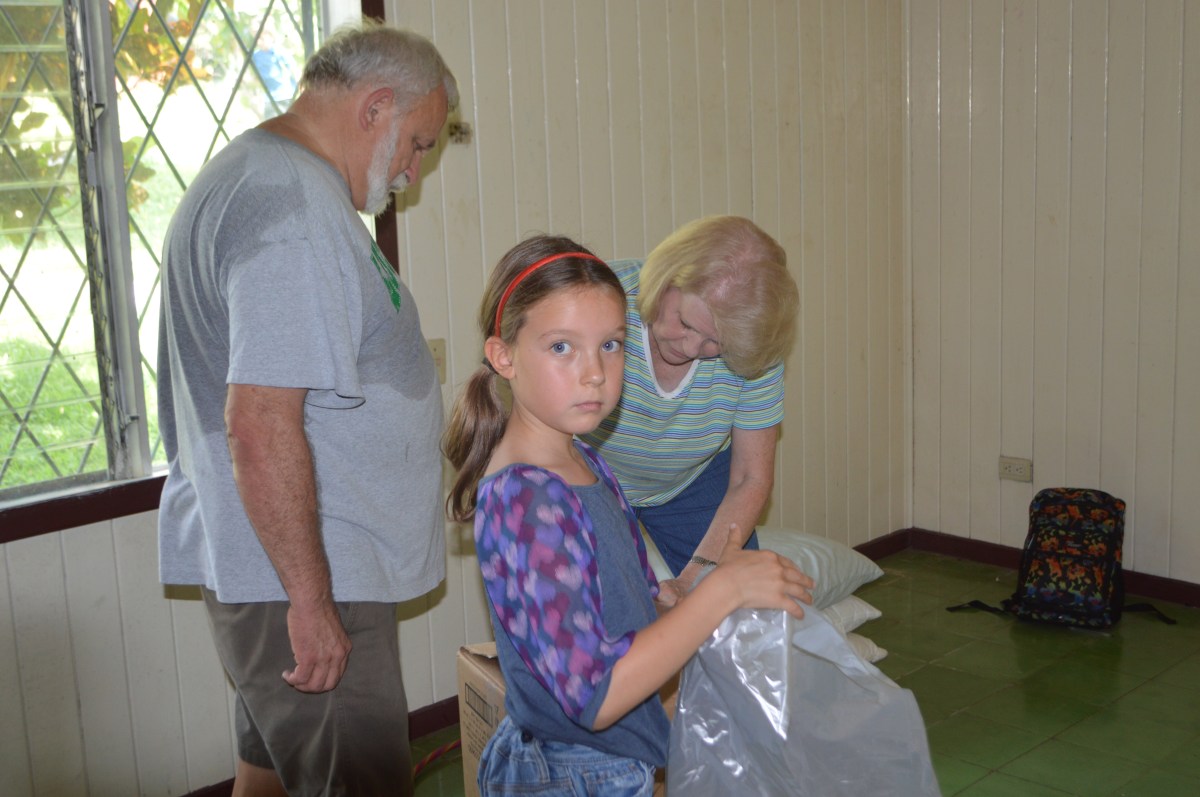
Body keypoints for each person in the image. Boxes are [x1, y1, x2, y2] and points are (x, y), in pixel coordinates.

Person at [156, 21, 457, 797]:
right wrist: (311, 600)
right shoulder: (293, 213)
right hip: (309, 571)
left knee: (267, 771)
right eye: (418, 144)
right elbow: (258, 424)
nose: (413, 171)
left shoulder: (264, 177)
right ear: (375, 107)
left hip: (278, 567)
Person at [442, 235, 814, 795]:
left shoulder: (586, 463)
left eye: (611, 345)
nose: (594, 372)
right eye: (562, 347)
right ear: (504, 356)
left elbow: (622, 605)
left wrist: (669, 601)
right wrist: (722, 591)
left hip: (617, 762)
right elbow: (595, 697)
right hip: (573, 772)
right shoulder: (526, 500)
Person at [580, 216, 800, 605]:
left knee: (732, 604)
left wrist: (695, 578)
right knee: (592, 608)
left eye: (716, 343)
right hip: (589, 472)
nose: (691, 348)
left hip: (693, 479)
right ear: (664, 280)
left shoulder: (753, 345)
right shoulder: (600, 300)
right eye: (685, 322)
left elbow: (750, 477)